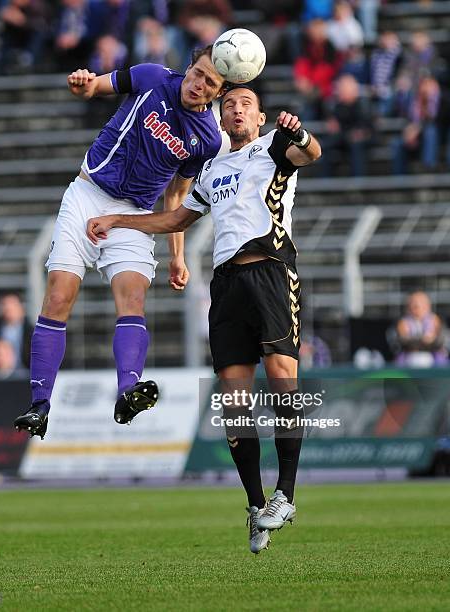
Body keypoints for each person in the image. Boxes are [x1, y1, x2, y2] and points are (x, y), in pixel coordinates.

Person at [86, 85, 321, 554]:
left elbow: (311, 153)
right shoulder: (212, 168)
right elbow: (176, 219)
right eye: (229, 105)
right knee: (234, 400)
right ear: (221, 116)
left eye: (245, 105)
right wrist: (118, 221)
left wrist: (301, 131)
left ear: (259, 118)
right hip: (227, 285)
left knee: (281, 378)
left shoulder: (273, 145)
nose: (236, 110)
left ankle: (286, 495)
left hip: (272, 274)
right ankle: (257, 507)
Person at [13, 46, 226, 440]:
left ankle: (128, 390)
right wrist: (82, 83)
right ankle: (39, 404)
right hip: (87, 193)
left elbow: (176, 197)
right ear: (189, 67)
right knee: (59, 295)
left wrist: (178, 257)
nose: (199, 84)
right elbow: (94, 87)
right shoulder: (152, 78)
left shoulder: (208, 140)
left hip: (133, 216)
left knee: (132, 298)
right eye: (197, 73)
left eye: (210, 83)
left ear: (218, 92)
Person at [393, 291, 448, 367]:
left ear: (427, 305)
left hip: (432, 357)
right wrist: (422, 341)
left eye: (420, 303)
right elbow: (403, 341)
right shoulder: (403, 322)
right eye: (413, 304)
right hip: (409, 357)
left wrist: (428, 341)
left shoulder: (435, 320)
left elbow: (438, 340)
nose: (416, 306)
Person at [0, 293, 33, 370]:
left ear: (20, 308)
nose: (8, 309)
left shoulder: (32, 331)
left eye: (12, 306)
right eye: (5, 306)